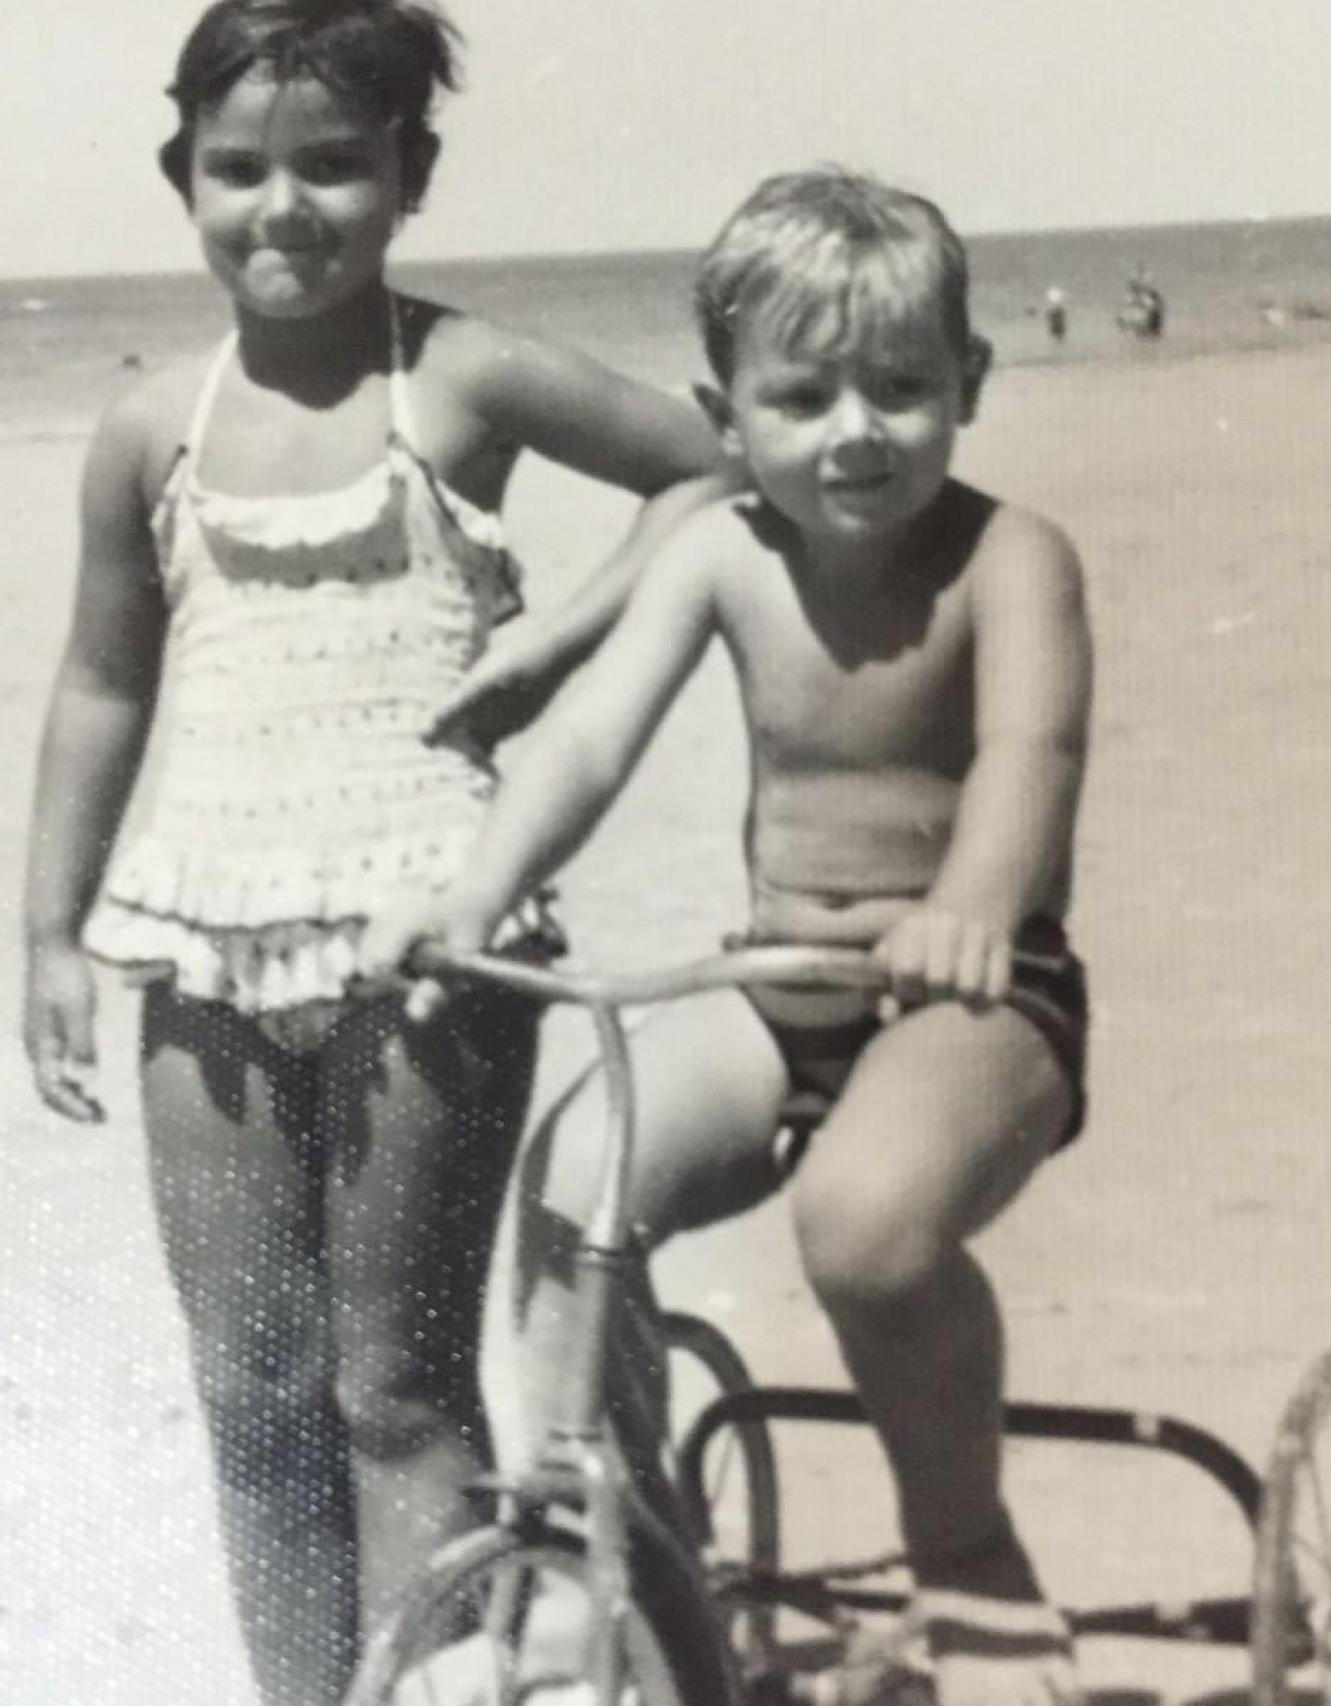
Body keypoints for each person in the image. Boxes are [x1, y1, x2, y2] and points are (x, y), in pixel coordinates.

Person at [18, 5, 725, 1704]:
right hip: (202, 941)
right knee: (255, 1392)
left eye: (336, 165)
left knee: (394, 1387)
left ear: (410, 173)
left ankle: (431, 1689)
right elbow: (104, 680)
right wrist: (47, 931)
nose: (286, 207)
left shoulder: (460, 375)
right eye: (240, 168)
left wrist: (554, 652)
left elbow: (706, 476)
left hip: (438, 936)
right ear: (180, 177)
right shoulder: (148, 429)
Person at [367, 166, 1095, 1706]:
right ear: (728, 409)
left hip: (974, 1000)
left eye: (901, 388)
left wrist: (972, 904)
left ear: (967, 382)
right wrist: (480, 885)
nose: (855, 430)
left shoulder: (1007, 556)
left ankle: (962, 1545)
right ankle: (613, 1543)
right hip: (775, 984)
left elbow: (1033, 752)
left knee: (861, 1224)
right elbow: (584, 747)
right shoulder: (719, 554)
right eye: (804, 393)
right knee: (576, 1178)